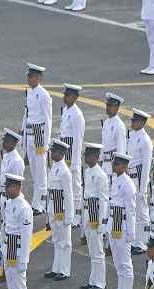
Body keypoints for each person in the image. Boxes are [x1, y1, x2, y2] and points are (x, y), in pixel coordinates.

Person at [0, 174, 34, 289]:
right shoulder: (9, 203)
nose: (6, 189)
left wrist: (24, 260)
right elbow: (5, 228)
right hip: (9, 250)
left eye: (9, 186)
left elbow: (26, 237)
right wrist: (1, 250)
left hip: (18, 252)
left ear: (17, 187)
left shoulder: (24, 207)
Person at [22, 64, 52, 213]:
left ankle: (40, 204)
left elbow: (48, 119)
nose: (29, 79)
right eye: (28, 76)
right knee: (34, 171)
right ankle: (37, 201)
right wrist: (23, 138)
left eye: (31, 76)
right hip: (29, 134)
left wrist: (45, 143)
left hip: (39, 135)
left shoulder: (44, 95)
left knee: (41, 171)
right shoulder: (29, 93)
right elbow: (26, 115)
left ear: (39, 77)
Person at [107, 153, 137, 289]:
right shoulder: (115, 179)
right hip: (114, 224)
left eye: (118, 164)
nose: (114, 165)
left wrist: (131, 233)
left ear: (125, 166)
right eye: (114, 163)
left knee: (125, 262)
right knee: (117, 262)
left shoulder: (128, 184)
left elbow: (131, 210)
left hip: (123, 226)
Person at [80, 143, 109, 289]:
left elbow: (104, 200)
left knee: (98, 251)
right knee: (92, 251)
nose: (86, 157)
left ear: (96, 157)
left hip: (95, 214)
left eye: (89, 155)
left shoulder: (101, 175)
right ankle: (93, 280)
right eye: (86, 154)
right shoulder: (87, 171)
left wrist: (102, 223)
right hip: (87, 212)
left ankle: (100, 282)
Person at [46, 140, 74, 280]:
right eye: (52, 150)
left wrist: (69, 216)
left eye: (55, 151)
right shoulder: (54, 168)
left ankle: (64, 270)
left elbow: (68, 195)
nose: (52, 153)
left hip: (61, 211)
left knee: (65, 242)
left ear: (62, 153)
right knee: (56, 240)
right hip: (53, 210)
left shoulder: (64, 171)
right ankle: (56, 268)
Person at [128, 109, 154, 254]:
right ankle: (136, 240)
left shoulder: (145, 140)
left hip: (139, 178)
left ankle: (143, 242)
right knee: (133, 211)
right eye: (132, 120)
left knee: (142, 213)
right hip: (130, 177)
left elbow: (146, 166)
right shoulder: (131, 136)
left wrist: (143, 189)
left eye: (135, 120)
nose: (132, 122)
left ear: (142, 123)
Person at [59, 84, 85, 226]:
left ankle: (76, 216)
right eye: (65, 95)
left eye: (68, 95)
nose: (65, 98)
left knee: (75, 187)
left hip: (72, 154)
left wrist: (74, 163)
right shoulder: (66, 110)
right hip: (64, 153)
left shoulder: (77, 115)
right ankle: (69, 212)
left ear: (75, 97)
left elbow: (77, 140)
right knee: (65, 185)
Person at [0, 128, 25, 218]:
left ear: (13, 143)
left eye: (6, 141)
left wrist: (10, 202)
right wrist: (0, 198)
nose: (3, 143)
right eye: (4, 140)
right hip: (4, 196)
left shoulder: (16, 161)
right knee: (3, 226)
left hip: (11, 199)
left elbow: (16, 185)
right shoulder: (6, 156)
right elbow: (2, 180)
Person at [101, 93, 128, 182]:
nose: (108, 107)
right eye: (107, 105)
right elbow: (103, 145)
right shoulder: (106, 122)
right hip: (104, 164)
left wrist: (118, 169)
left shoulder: (119, 125)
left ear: (117, 108)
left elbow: (121, 150)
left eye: (110, 105)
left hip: (113, 166)